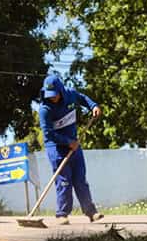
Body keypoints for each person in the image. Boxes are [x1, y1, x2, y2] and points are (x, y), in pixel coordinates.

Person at [38, 73, 103, 225]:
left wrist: (93, 106)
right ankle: (62, 214)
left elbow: (83, 98)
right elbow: (48, 133)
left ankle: (91, 212)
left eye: (55, 94)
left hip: (74, 144)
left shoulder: (71, 95)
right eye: (49, 95)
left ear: (61, 90)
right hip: (56, 147)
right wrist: (67, 142)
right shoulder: (45, 109)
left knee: (80, 179)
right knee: (64, 181)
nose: (52, 98)